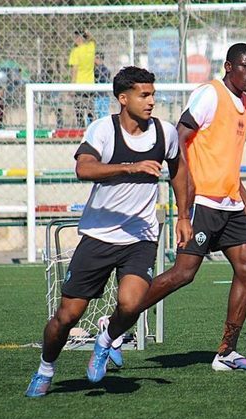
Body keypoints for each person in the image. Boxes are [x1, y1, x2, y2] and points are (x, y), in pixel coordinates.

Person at [90, 43, 246, 375]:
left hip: (228, 203)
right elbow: (179, 137)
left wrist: (242, 193)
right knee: (183, 274)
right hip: (202, 202)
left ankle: (227, 351)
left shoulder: (245, 103)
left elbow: (226, 156)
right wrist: (188, 185)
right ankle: (113, 324)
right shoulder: (209, 95)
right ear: (229, 67)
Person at [25, 66, 191, 397]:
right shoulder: (103, 129)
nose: (151, 101)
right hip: (99, 236)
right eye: (144, 95)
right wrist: (129, 166)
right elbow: (83, 168)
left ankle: (105, 340)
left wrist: (184, 215)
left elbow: (180, 169)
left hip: (141, 237)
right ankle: (45, 368)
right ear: (123, 98)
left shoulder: (165, 132)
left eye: (153, 94)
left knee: (131, 304)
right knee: (67, 317)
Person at [69, 30, 96, 127]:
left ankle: (81, 129)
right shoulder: (90, 48)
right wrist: (87, 32)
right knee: (90, 109)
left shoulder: (75, 51)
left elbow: (74, 70)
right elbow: (93, 40)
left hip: (79, 84)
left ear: (79, 38)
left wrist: (72, 87)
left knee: (79, 110)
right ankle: (93, 127)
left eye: (75, 37)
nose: (74, 40)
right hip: (90, 84)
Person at [94, 52, 112, 119]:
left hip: (103, 96)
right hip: (96, 96)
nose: (95, 60)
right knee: (95, 114)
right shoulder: (93, 70)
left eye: (97, 58)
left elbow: (103, 79)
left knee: (103, 115)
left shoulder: (105, 70)